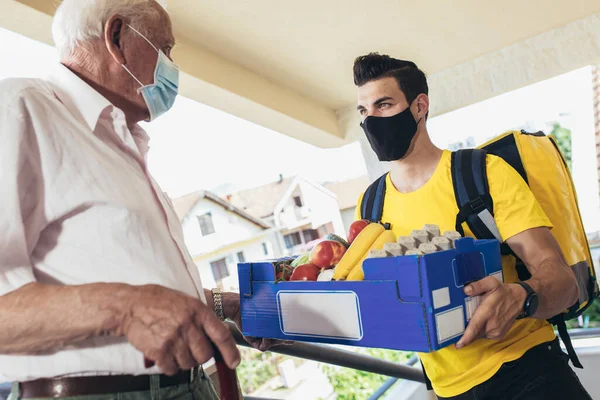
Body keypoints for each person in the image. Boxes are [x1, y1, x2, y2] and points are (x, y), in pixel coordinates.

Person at [0, 1, 276, 399]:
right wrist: (126, 308)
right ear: (116, 37)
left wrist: (220, 304)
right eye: (165, 48)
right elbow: (134, 303)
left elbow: (131, 283)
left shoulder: (120, 143)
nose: (171, 66)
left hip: (187, 384)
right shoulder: (20, 108)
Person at [352, 53, 592, 399]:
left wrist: (521, 296)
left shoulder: (483, 174)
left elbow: (563, 282)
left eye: (384, 105)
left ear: (420, 106)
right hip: (450, 391)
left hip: (528, 372)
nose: (371, 120)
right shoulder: (370, 206)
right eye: (364, 111)